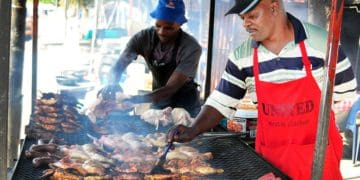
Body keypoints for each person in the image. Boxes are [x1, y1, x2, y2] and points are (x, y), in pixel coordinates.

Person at [167, 0, 358, 179]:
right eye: (243, 18)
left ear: (274, 7)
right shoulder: (242, 56)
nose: (246, 24)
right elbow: (221, 101)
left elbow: (345, 96)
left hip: (316, 160)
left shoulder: (321, 43)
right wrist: (194, 128)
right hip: (269, 161)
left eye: (252, 15)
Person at [99, 0, 202, 117]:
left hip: (185, 105)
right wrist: (112, 83)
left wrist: (134, 99)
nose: (162, 32)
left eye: (168, 28)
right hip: (159, 101)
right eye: (158, 26)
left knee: (181, 132)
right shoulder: (143, 38)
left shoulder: (190, 47)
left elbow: (170, 88)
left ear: (180, 24)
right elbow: (118, 66)